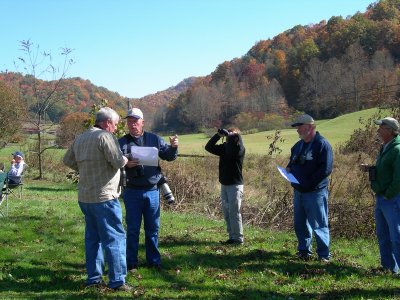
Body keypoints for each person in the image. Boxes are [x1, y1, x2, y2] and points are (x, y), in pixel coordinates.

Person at [63, 107, 132, 291]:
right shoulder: (105, 137)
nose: (116, 129)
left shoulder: (81, 137)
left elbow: (68, 160)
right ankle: (117, 281)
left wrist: (86, 169)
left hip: (85, 197)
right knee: (114, 238)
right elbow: (117, 161)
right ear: (107, 123)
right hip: (105, 197)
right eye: (115, 124)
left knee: (93, 239)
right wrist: (125, 159)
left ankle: (93, 278)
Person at [118, 108, 178, 272]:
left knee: (153, 228)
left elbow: (168, 156)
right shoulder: (121, 142)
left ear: (142, 122)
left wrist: (173, 147)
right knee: (133, 229)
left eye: (135, 121)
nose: (132, 124)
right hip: (131, 191)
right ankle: (131, 263)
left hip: (152, 190)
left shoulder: (154, 139)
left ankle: (154, 261)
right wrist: (126, 163)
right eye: (129, 121)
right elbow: (114, 161)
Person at [286, 114, 333, 262]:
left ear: (309, 127)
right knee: (300, 224)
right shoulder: (298, 146)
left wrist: (309, 184)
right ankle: (304, 251)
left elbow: (326, 169)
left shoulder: (322, 144)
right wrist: (288, 169)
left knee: (319, 224)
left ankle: (324, 255)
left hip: (315, 192)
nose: (297, 130)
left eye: (299, 127)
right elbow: (292, 163)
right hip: (299, 192)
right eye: (297, 127)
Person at [360, 117, 400, 274]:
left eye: (381, 127)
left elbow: (398, 178)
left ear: (390, 131)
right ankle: (388, 267)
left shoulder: (397, 150)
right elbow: (385, 170)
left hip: (392, 198)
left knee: (396, 237)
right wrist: (370, 169)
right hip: (382, 197)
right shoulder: (385, 147)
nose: (378, 130)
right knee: (383, 235)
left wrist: (388, 194)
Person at [205, 127, 245, 245]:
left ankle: (238, 239)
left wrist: (233, 135)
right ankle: (232, 237)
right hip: (224, 184)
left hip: (235, 185)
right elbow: (209, 147)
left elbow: (234, 151)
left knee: (234, 212)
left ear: (237, 137)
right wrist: (218, 135)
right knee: (227, 212)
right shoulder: (224, 148)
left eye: (233, 135)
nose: (230, 135)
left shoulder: (240, 149)